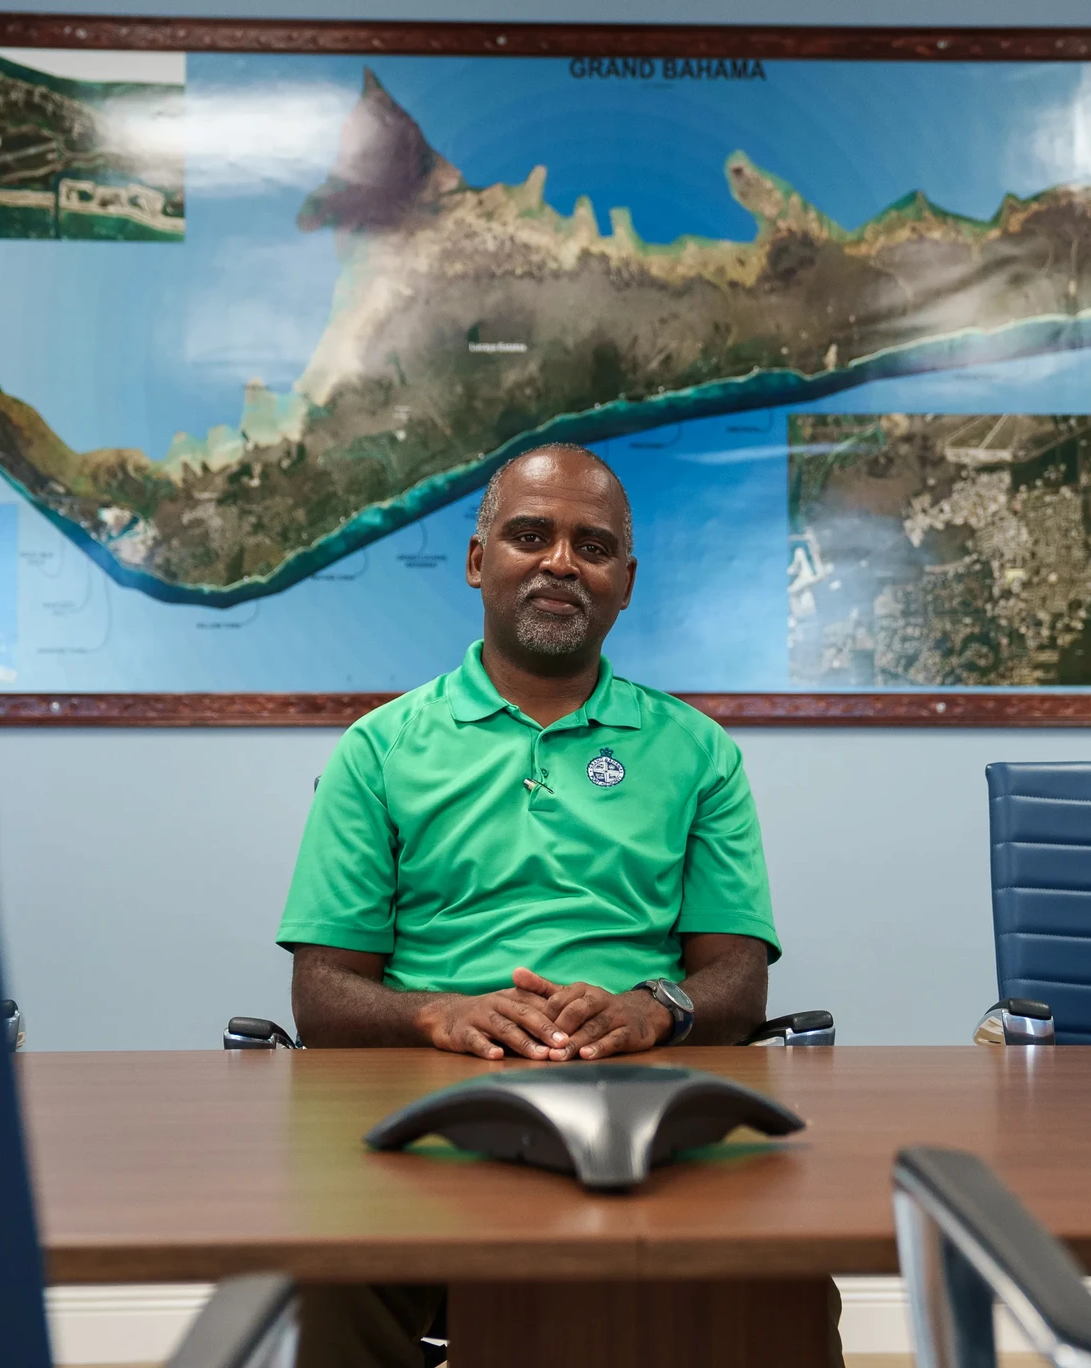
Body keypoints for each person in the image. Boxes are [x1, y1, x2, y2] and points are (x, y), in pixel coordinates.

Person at [276, 442, 801, 1368]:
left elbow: (738, 979)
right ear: (480, 562)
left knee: (785, 1277)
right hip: (430, 1109)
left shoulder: (697, 752)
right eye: (530, 535)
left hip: (641, 1110)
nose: (561, 561)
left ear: (625, 582)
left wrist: (654, 1009)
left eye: (591, 546)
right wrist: (441, 1014)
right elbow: (322, 995)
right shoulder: (381, 749)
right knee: (334, 1273)